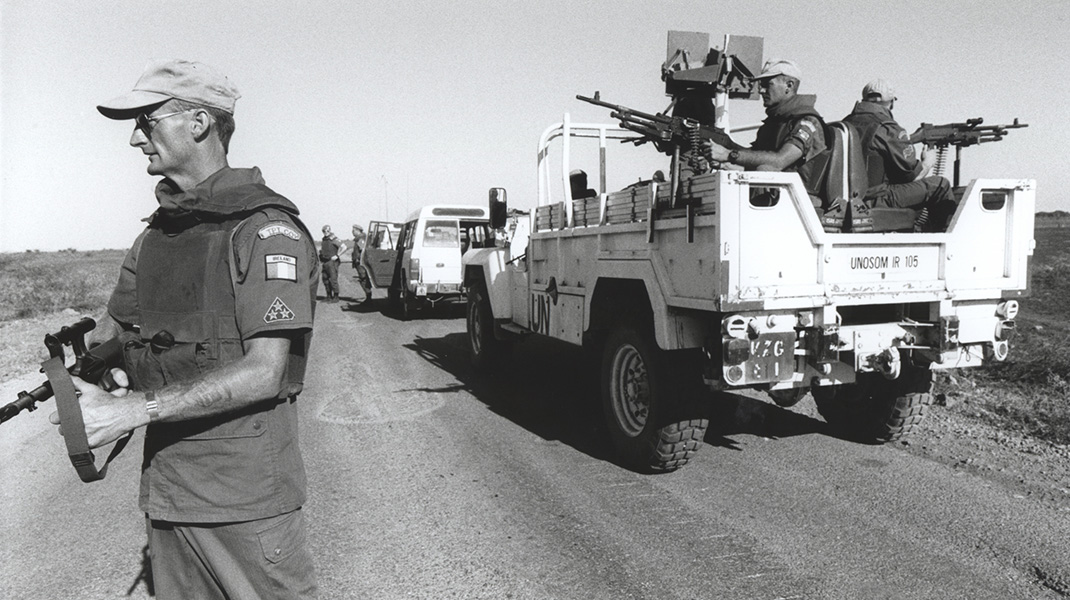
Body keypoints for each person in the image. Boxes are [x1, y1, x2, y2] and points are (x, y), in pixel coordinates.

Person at [51, 59, 319, 599]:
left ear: (198, 123)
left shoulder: (265, 231)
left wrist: (132, 411)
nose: (134, 138)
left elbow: (266, 373)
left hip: (244, 502)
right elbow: (117, 335)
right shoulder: (155, 238)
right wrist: (94, 374)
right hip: (170, 494)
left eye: (147, 121)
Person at [841, 79, 958, 231]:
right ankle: (933, 240)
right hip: (875, 199)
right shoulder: (886, 128)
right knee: (940, 185)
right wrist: (927, 163)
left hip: (849, 198)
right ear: (891, 103)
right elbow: (912, 176)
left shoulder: (846, 123)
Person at [706, 59, 827, 196]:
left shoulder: (807, 122)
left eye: (767, 84)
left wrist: (728, 154)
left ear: (789, 85)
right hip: (775, 199)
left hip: (797, 203)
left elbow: (779, 161)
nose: (761, 90)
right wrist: (727, 149)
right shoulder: (775, 122)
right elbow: (756, 157)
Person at [319, 224, 346, 302]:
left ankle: (336, 297)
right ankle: (329, 296)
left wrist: (337, 255)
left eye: (327, 230)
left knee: (333, 280)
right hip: (325, 261)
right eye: (324, 231)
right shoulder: (324, 240)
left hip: (332, 262)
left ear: (330, 230)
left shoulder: (334, 239)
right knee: (325, 279)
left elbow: (344, 247)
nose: (326, 232)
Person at [351, 223, 373, 303]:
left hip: (361, 263)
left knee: (363, 278)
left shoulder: (361, 238)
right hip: (359, 262)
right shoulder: (360, 238)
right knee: (363, 279)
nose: (352, 232)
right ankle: (368, 297)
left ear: (357, 230)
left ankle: (369, 297)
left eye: (353, 230)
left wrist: (359, 259)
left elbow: (363, 249)